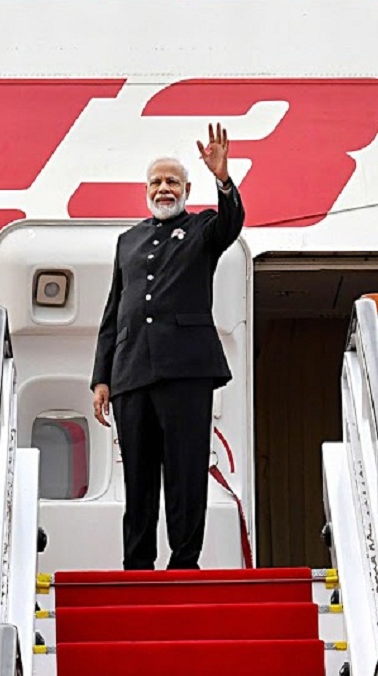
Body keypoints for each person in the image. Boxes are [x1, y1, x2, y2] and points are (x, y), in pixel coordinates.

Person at [91, 122, 245, 570]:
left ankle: (184, 562)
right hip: (131, 373)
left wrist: (223, 178)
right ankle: (137, 565)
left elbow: (231, 223)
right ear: (146, 190)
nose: (164, 189)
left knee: (185, 471)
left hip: (186, 371)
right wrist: (101, 377)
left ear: (186, 189)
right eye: (156, 182)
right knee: (138, 477)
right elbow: (114, 311)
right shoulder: (128, 241)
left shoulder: (203, 228)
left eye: (172, 182)